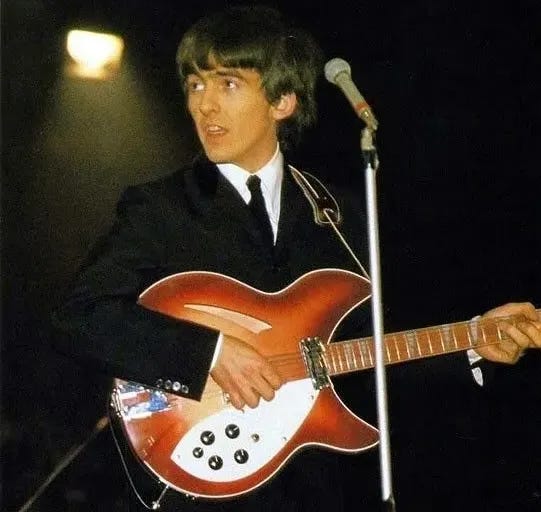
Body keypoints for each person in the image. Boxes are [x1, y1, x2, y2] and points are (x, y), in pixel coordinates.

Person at [52, 5, 541, 511]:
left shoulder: (336, 213)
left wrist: (474, 341)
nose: (204, 105)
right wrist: (211, 353)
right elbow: (79, 318)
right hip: (198, 486)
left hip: (311, 490)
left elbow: (365, 350)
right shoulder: (161, 208)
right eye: (195, 85)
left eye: (228, 84)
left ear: (282, 101)